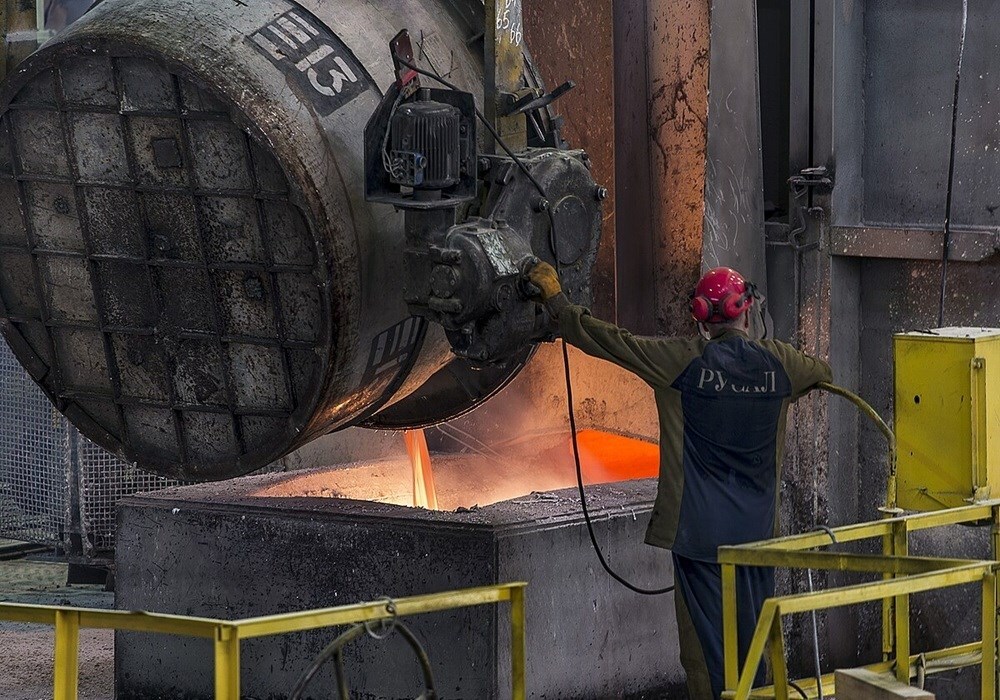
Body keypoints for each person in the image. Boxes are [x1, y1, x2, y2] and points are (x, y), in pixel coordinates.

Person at [527, 262, 832, 699]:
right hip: (757, 538)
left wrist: (559, 304)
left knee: (705, 657)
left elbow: (612, 343)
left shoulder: (682, 362)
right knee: (755, 647)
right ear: (745, 312)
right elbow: (822, 373)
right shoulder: (781, 365)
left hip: (699, 539)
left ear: (701, 316)